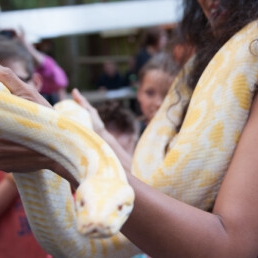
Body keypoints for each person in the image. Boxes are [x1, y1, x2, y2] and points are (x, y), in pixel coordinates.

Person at [2, 1, 258, 257]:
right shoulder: (201, 67)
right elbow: (148, 184)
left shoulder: (247, 51)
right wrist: (95, 134)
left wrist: (59, 151)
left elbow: (232, 247)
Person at [0, 36, 49, 258]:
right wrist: (14, 176)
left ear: (36, 83)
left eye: (16, 81)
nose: (7, 95)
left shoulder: (57, 134)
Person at [18, 30, 69, 105]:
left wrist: (24, 41)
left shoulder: (48, 63)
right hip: (39, 94)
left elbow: (60, 87)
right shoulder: (25, 64)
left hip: (51, 96)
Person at [136, 52, 179, 134]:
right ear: (139, 93)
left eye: (168, 95)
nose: (158, 103)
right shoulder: (130, 133)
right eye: (150, 93)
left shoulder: (185, 132)